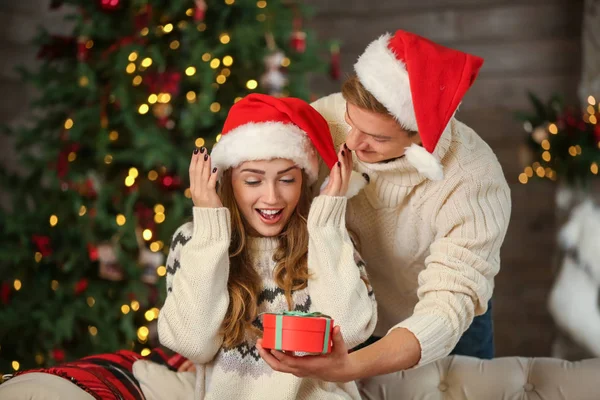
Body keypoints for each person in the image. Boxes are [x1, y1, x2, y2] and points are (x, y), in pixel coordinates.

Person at [255, 29, 512, 394]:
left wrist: (348, 366)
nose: (353, 142)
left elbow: (447, 305)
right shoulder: (325, 119)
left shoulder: (473, 181)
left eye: (377, 138)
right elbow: (258, 207)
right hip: (345, 310)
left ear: (423, 137)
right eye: (352, 122)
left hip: (435, 323)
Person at [144, 93, 376, 399]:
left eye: (287, 180)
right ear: (227, 181)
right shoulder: (194, 241)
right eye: (253, 181)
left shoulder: (326, 236)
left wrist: (327, 222)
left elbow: (351, 330)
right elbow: (193, 343)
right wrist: (211, 229)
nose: (272, 198)